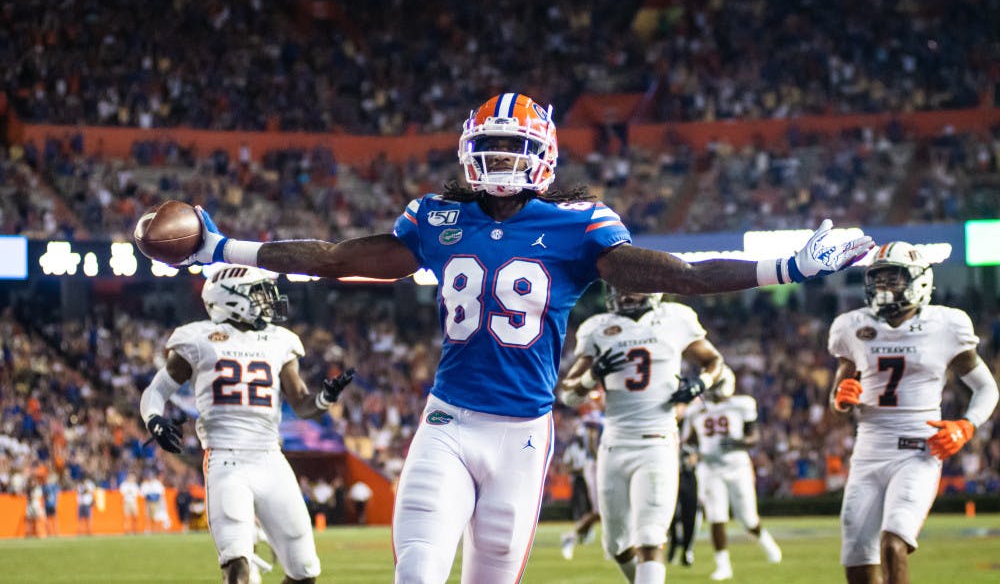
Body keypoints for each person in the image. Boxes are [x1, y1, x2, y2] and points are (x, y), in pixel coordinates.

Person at [166, 92, 873, 584]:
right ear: (469, 152)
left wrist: (788, 266)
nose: (503, 159)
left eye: (516, 147)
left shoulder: (579, 224)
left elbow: (682, 275)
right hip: (447, 424)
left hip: (522, 436)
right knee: (417, 573)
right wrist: (223, 248)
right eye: (492, 146)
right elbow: (334, 258)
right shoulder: (436, 217)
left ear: (543, 155)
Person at [139, 264, 356, 584]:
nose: (267, 300)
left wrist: (324, 398)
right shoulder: (198, 338)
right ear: (231, 297)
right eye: (258, 293)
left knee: (305, 572)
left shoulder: (279, 340)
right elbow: (156, 391)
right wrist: (154, 420)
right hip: (226, 460)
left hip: (271, 459)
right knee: (237, 566)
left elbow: (301, 402)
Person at [828, 241, 999, 584]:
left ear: (919, 280)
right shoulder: (852, 326)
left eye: (892, 278)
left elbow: (986, 388)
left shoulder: (945, 325)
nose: (882, 286)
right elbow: (837, 405)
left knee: (893, 545)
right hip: (868, 453)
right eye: (877, 278)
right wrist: (840, 400)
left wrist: (966, 426)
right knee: (858, 564)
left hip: (918, 451)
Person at [558, 287, 727, 584]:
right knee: (616, 545)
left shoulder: (675, 318)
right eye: (619, 288)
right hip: (613, 445)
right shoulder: (598, 327)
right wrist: (591, 375)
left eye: (632, 288)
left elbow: (714, 362)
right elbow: (569, 395)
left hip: (656, 441)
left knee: (650, 535)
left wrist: (700, 383)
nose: (625, 295)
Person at [682, 367, 782, 580]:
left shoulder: (741, 404)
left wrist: (740, 442)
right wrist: (690, 453)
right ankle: (723, 566)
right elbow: (689, 441)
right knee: (716, 516)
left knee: (748, 519)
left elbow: (754, 436)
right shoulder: (695, 410)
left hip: (738, 467)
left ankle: (767, 543)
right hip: (710, 469)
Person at [559, 410, 601, 560]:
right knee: (598, 510)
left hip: (601, 466)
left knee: (600, 511)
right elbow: (592, 444)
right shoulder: (595, 418)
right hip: (592, 469)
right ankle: (571, 536)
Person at [667, 437, 699, 567]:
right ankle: (673, 545)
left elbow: (695, 457)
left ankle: (687, 550)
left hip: (688, 476)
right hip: (670, 474)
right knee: (670, 515)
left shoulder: (691, 429)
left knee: (689, 516)